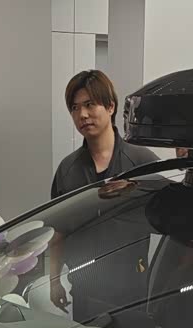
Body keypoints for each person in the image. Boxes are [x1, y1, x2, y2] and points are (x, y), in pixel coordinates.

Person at [49, 70, 158, 315]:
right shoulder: (67, 169)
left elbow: (167, 219)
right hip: (84, 291)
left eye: (90, 104)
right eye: (75, 108)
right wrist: (54, 281)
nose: (82, 115)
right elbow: (58, 231)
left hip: (132, 293)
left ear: (110, 107)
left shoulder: (142, 162)